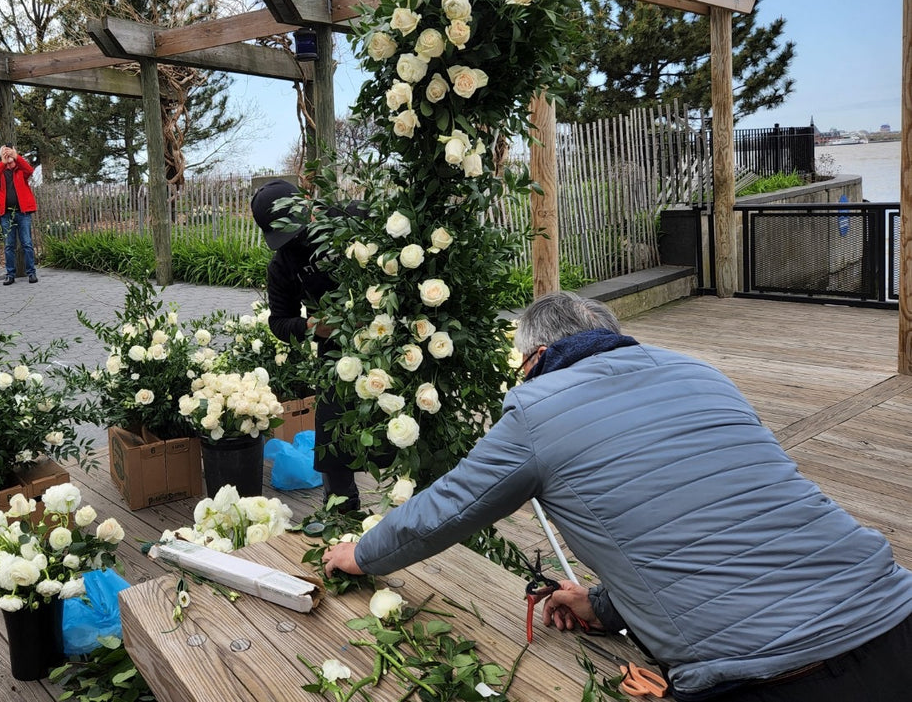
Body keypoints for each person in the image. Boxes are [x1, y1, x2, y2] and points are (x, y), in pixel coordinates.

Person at [323, 290, 912, 701]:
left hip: (765, 673)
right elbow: (708, 519)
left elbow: (446, 508)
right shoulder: (702, 372)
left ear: (534, 359)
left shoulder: (535, 409)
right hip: (893, 612)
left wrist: (362, 554)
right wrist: (602, 606)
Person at [250, 179, 361, 511]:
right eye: (286, 236)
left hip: (388, 339)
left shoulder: (352, 218)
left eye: (297, 229)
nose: (296, 240)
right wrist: (311, 326)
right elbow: (279, 320)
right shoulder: (283, 264)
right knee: (332, 426)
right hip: (334, 349)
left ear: (309, 205)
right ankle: (342, 506)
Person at [0, 144, 38, 286]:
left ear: (15, 152)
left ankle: (31, 273)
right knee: (9, 245)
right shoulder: (0, 172)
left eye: (9, 151)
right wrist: (2, 163)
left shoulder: (21, 170)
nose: (7, 154)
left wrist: (16, 157)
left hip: (23, 213)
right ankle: (10, 275)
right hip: (6, 214)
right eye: (4, 152)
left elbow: (30, 170)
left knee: (27, 244)